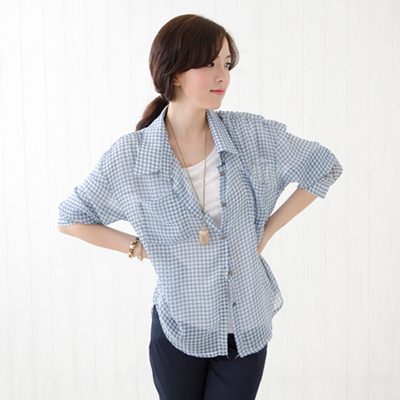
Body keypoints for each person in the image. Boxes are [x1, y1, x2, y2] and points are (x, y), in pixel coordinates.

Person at [58, 13, 343, 400]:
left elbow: (323, 167)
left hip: (245, 325)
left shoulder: (250, 134)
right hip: (179, 327)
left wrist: (267, 231)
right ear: (175, 73)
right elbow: (71, 218)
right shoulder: (132, 157)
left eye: (226, 64)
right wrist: (138, 247)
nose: (222, 76)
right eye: (209, 64)